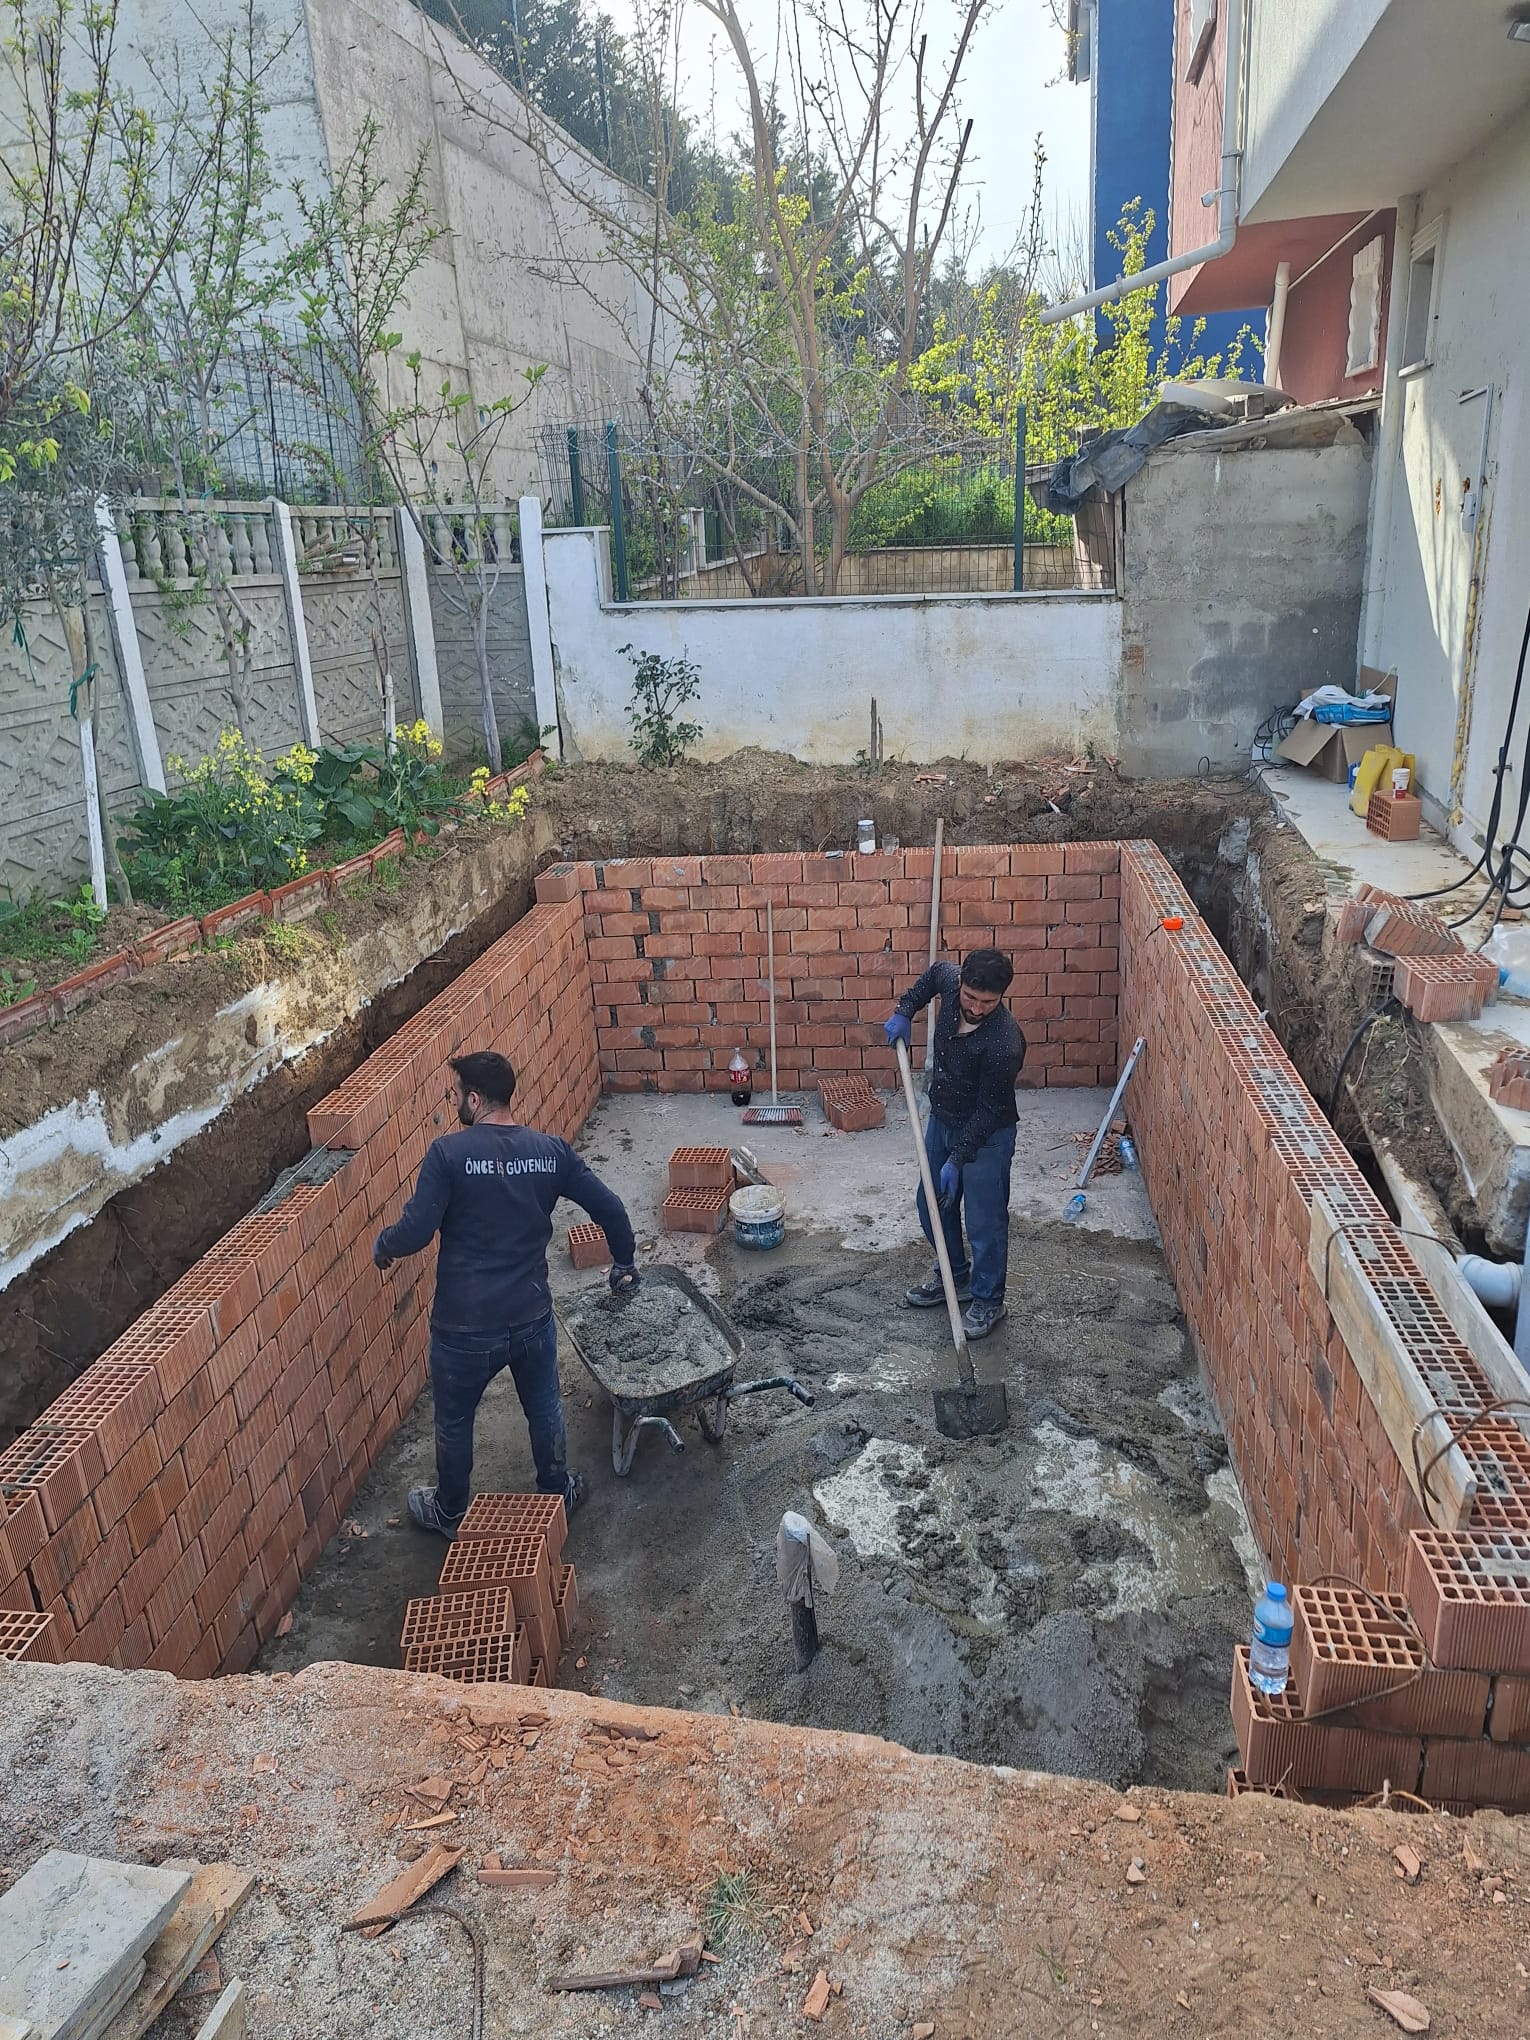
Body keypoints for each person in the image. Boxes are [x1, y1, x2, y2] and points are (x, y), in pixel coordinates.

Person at [372, 1049, 639, 1537]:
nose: (457, 1104)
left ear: (475, 1099)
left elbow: (415, 1231)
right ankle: (558, 1493)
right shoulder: (550, 1151)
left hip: (463, 1327)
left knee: (454, 1422)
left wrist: (383, 1246)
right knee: (543, 1408)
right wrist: (623, 1264)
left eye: (458, 1096)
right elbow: (612, 1210)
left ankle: (450, 1512)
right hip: (530, 1314)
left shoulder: (447, 1155)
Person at [884, 947, 1026, 1340]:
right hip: (943, 1118)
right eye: (970, 998)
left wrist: (957, 1160)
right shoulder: (949, 980)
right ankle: (955, 1277)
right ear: (961, 983)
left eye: (988, 1003)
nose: (977, 1009)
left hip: (987, 1135)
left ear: (1000, 998)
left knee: (984, 1222)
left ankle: (988, 1300)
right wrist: (905, 1010)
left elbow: (988, 1110)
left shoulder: (1004, 1043)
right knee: (930, 1206)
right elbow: (931, 975)